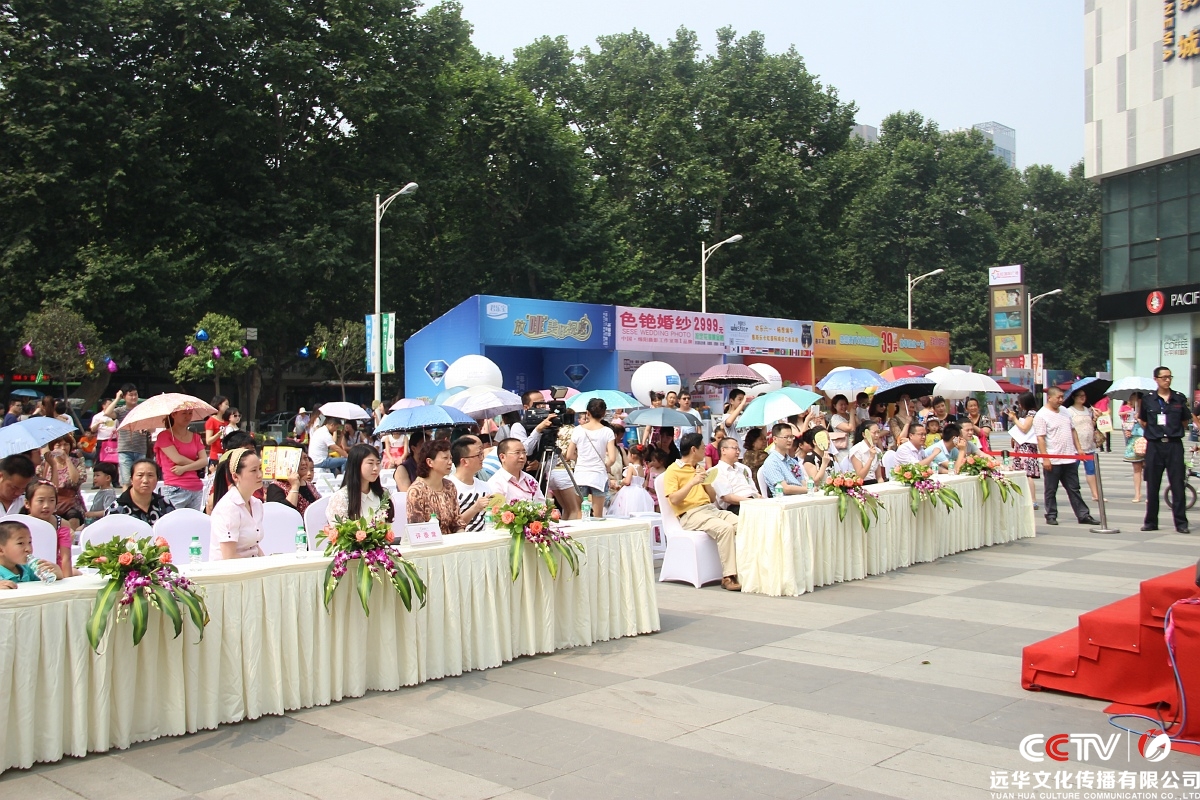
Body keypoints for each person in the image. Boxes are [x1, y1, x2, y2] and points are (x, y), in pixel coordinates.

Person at [664, 433, 740, 591]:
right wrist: (692, 482)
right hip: (690, 513)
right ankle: (729, 576)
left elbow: (711, 498)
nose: (705, 450)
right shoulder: (673, 470)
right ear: (694, 449)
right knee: (725, 528)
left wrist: (707, 481)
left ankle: (747, 570)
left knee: (743, 524)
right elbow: (674, 499)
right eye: (703, 447)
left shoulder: (699, 468)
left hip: (710, 509)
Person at [1035, 387, 1099, 527]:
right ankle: (1051, 514)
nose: (1061, 400)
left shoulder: (1065, 411)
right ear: (1049, 398)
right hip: (1053, 458)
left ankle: (1083, 514)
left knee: (1074, 488)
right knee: (1051, 489)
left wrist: (1079, 449)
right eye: (1058, 397)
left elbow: (1073, 431)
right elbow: (1040, 438)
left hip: (1069, 457)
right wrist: (1045, 458)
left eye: (1062, 397)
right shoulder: (1041, 415)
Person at [1139, 366, 1192, 533]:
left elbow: (1185, 421)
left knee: (1177, 485)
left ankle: (1181, 523)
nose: (1167, 380)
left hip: (1174, 445)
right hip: (1155, 446)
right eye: (1164, 377)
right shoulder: (1148, 399)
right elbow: (1144, 421)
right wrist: (1155, 433)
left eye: (1169, 377)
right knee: (1152, 485)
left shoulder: (1179, 398)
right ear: (1156, 379)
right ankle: (1151, 522)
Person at [565, 398, 617, 519]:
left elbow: (569, 455)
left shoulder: (577, 430)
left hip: (581, 475)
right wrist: (606, 466)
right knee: (598, 515)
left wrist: (578, 459)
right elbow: (612, 458)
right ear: (604, 413)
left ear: (587, 413)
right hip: (599, 475)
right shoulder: (607, 432)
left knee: (580, 512)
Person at [209, 448, 265, 559]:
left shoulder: (256, 504)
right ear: (235, 476)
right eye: (253, 470)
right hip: (230, 568)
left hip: (252, 565)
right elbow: (229, 557)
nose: (260, 475)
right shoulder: (228, 508)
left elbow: (253, 546)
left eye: (260, 468)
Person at [327, 444, 393, 526]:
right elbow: (338, 530)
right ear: (356, 465)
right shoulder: (341, 498)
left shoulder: (383, 494)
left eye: (378, 463)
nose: (376, 468)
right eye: (370, 463)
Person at [406, 439, 463, 535]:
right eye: (445, 458)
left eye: (450, 458)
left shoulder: (450, 486)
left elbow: (457, 523)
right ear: (430, 462)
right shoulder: (416, 491)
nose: (450, 462)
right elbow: (417, 530)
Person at [154, 413, 208, 511]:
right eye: (184, 413)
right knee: (173, 519)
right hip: (175, 486)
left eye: (190, 413)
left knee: (193, 520)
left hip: (195, 486)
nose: (188, 416)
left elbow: (204, 461)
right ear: (174, 415)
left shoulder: (196, 437)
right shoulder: (164, 436)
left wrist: (184, 468)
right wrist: (197, 464)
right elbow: (177, 459)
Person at [22, 480, 75, 575]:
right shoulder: (20, 524)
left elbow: (65, 558)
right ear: (27, 503)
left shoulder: (61, 524)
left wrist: (68, 579)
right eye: (40, 501)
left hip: (53, 570)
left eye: (51, 500)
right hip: (25, 571)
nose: (46, 506)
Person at [102, 383, 150, 486]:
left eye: (135, 394)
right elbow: (107, 413)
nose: (134, 397)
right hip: (125, 450)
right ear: (124, 397)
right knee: (127, 481)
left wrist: (146, 428)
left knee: (140, 480)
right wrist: (117, 398)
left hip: (140, 449)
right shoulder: (120, 411)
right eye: (130, 395)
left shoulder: (142, 410)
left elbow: (152, 428)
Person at [107, 457, 176, 525]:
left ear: (157, 479)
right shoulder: (117, 509)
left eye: (150, 475)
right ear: (131, 479)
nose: (145, 480)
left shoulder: (164, 503)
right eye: (140, 475)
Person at [0, 520, 62, 587]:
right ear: (1, 550)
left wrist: (57, 574)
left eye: (29, 542)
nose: (28, 549)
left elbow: (48, 583)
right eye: (20, 543)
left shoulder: (29, 568)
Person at [448, 436, 491, 532]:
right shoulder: (448, 488)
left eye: (482, 454)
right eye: (478, 455)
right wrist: (476, 508)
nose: (482, 458)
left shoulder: (485, 486)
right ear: (464, 461)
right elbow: (450, 526)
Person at [1065, 388, 1100, 503]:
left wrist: (1096, 418)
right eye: (1079, 395)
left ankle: (1095, 494)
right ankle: (1073, 493)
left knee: (1091, 470)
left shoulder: (1088, 410)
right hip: (1075, 447)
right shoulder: (1069, 411)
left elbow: (1091, 425)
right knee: (1072, 472)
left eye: (1084, 395)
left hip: (1089, 445)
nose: (1082, 397)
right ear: (1073, 397)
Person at [265, 444, 321, 515]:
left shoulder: (310, 485)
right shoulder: (275, 487)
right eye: (298, 459)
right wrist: (295, 486)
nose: (304, 463)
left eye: (305, 458)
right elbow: (281, 514)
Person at [1007, 392, 1041, 507]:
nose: (1019, 405)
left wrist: (1014, 419)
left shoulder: (1031, 414)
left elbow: (1024, 428)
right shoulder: (1026, 413)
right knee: (1022, 472)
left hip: (1027, 447)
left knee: (1028, 473)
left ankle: (1033, 500)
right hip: (1021, 445)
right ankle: (1024, 498)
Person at [487, 437, 546, 502]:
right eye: (517, 453)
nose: (522, 456)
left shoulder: (530, 479)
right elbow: (495, 508)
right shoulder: (495, 483)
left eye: (524, 452)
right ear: (502, 457)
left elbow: (542, 504)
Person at [712, 436, 760, 513]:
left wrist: (762, 500)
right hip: (736, 506)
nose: (738, 452)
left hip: (753, 502)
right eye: (735, 448)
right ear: (723, 450)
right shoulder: (717, 471)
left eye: (739, 449)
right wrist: (751, 502)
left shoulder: (743, 468)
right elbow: (727, 498)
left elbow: (754, 491)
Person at [759, 424, 808, 496]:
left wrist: (810, 488)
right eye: (786, 437)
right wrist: (808, 489)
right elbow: (784, 489)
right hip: (785, 500)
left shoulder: (793, 461)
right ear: (775, 439)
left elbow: (803, 482)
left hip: (802, 497)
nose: (790, 440)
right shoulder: (771, 462)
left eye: (791, 437)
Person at [610, 444, 656, 516]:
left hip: (630, 492)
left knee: (627, 510)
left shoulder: (631, 468)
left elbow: (627, 481)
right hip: (640, 493)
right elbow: (643, 483)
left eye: (628, 454)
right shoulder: (642, 469)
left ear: (633, 455)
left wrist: (619, 482)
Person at [1123, 392, 1146, 503]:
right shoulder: (1131, 413)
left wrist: (1140, 419)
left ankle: (1151, 493)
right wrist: (1128, 432)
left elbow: (1150, 427)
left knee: (1148, 469)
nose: (1130, 401)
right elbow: (1128, 426)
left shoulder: (1147, 412)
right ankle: (1137, 493)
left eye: (1133, 399)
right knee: (1136, 469)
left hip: (1146, 441)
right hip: (1134, 441)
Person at [721, 390, 750, 454]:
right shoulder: (726, 416)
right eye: (740, 399)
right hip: (736, 453)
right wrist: (742, 404)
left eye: (743, 400)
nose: (742, 402)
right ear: (731, 401)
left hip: (747, 453)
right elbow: (729, 422)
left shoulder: (745, 414)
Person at [205, 395, 230, 467]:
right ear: (219, 405)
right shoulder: (211, 421)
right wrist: (218, 434)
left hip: (227, 455)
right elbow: (208, 441)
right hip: (215, 457)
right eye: (226, 404)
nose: (228, 407)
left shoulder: (226, 421)